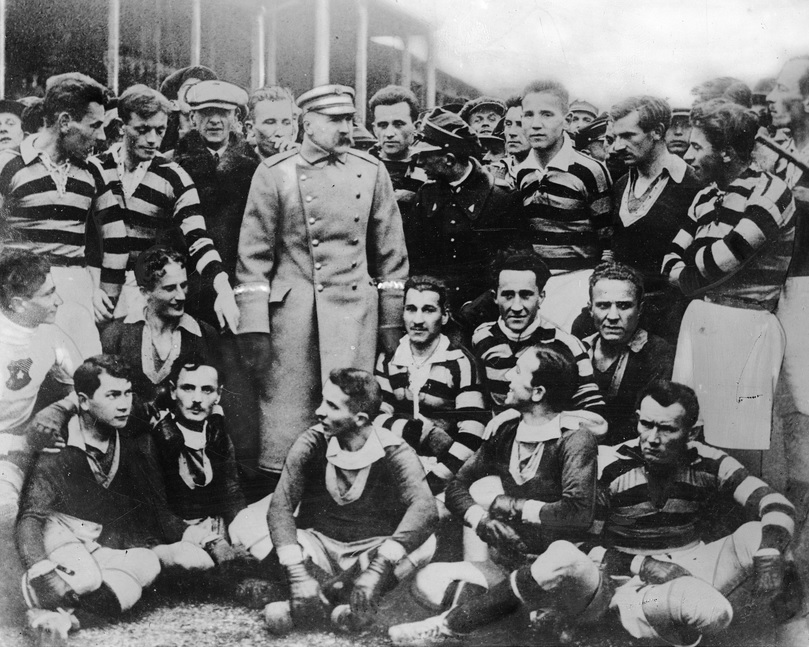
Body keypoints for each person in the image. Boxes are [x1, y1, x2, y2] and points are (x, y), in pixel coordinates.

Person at [389, 380, 803, 646]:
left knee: (758, 534)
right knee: (705, 609)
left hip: (697, 558)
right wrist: (642, 563)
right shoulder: (607, 464)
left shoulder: (711, 460)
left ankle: (791, 635)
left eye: (667, 429)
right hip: (625, 578)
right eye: (645, 425)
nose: (652, 439)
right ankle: (452, 626)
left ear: (690, 433)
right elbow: (578, 538)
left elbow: (774, 503)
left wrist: (768, 551)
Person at [234, 83, 409, 478]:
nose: (346, 128)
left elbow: (392, 258)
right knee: (289, 425)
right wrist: (255, 327)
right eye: (335, 120)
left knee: (351, 416)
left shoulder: (371, 171)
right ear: (307, 123)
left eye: (349, 119)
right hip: (293, 322)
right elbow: (252, 259)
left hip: (354, 316)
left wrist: (391, 324)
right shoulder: (274, 173)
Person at [387, 345, 601, 646]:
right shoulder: (507, 431)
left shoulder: (575, 439)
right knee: (428, 580)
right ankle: (520, 624)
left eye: (517, 370)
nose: (508, 377)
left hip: (571, 580)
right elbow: (456, 488)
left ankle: (450, 626)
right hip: (515, 572)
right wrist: (483, 522)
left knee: (562, 556)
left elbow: (577, 514)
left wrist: (511, 505)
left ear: (538, 392)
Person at [15, 355, 219, 646]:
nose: (123, 403)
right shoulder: (59, 441)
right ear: (83, 401)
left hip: (95, 542)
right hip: (58, 534)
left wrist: (202, 539)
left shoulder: (127, 425)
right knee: (88, 578)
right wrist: (40, 570)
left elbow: (156, 507)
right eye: (112, 395)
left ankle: (68, 619)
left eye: (127, 393)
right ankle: (33, 598)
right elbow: (31, 517)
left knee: (147, 562)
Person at [248, 369, 438, 634]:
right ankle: (344, 607)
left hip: (371, 552)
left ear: (359, 419)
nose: (319, 411)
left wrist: (378, 567)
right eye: (323, 401)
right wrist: (297, 574)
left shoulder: (393, 450)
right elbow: (281, 506)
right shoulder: (312, 441)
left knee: (424, 544)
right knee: (283, 539)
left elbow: (425, 508)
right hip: (321, 548)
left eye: (332, 406)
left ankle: (309, 605)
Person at [662, 99, 795, 453]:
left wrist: (686, 276)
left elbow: (725, 261)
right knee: (690, 436)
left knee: (736, 442)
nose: (687, 155)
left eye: (696, 146)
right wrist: (688, 273)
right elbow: (670, 258)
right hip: (701, 319)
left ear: (725, 152)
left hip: (746, 328)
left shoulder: (771, 192)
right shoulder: (705, 196)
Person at [87, 84, 238, 332]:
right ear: (121, 125)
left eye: (160, 130)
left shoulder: (174, 176)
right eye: (142, 130)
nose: (152, 140)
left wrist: (223, 289)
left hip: (143, 296)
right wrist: (90, 287)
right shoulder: (95, 168)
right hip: (95, 292)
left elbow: (198, 239)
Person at [0, 73, 111, 358]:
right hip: (20, 292)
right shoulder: (7, 163)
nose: (101, 136)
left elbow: (114, 238)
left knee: (86, 378)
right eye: (94, 126)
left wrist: (103, 291)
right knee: (19, 383)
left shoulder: (92, 171)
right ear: (64, 122)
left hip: (74, 291)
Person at [516, 80, 612, 332]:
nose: (536, 124)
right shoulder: (521, 172)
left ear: (566, 120)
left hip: (579, 284)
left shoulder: (590, 171)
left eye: (547, 114)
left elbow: (608, 240)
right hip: (536, 286)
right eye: (528, 115)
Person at [374, 275, 487, 490]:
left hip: (446, 470)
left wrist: (435, 480)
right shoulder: (389, 358)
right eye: (411, 309)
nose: (417, 320)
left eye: (428, 310)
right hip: (397, 464)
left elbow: (473, 431)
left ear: (444, 316)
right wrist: (420, 432)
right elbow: (376, 418)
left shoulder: (460, 362)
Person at [606, 95, 702, 344]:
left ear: (657, 131)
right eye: (615, 137)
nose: (617, 146)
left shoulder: (691, 185)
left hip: (671, 320)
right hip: (622, 318)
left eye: (628, 136)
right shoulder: (620, 184)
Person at [407, 108, 519, 312]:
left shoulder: (502, 198)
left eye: (425, 155)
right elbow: (415, 259)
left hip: (484, 311)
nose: (420, 162)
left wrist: (480, 306)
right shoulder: (425, 195)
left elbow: (512, 267)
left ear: (449, 159)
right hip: (433, 309)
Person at [472, 253, 605, 415]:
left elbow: (593, 410)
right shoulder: (482, 337)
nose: (516, 306)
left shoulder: (566, 344)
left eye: (526, 295)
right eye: (508, 295)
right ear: (495, 297)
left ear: (541, 297)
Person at [172, 79, 254, 326]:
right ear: (193, 118)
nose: (215, 120)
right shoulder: (174, 165)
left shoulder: (254, 167)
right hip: (187, 281)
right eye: (207, 112)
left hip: (238, 278)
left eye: (223, 113)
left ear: (235, 117)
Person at [767, 56, 809, 516]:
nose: (772, 99)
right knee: (790, 409)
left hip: (806, 295)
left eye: (781, 89)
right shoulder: (779, 157)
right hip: (780, 296)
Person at [149, 362, 246, 561]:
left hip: (217, 527)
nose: (197, 399)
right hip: (178, 535)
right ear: (173, 391)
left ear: (218, 394)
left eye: (207, 390)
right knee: (196, 563)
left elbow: (232, 494)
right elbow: (158, 513)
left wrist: (240, 538)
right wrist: (211, 542)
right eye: (188, 388)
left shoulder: (218, 436)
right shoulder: (154, 440)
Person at [101, 246, 219, 406]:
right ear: (145, 292)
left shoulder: (204, 335)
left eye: (183, 285)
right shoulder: (116, 335)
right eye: (170, 288)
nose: (181, 296)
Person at [582, 262, 674, 445]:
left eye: (624, 306)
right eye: (603, 305)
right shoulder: (579, 348)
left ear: (640, 309)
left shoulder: (657, 353)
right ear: (590, 309)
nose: (613, 316)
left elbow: (650, 421)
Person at [368, 84, 425, 218]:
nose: (389, 133)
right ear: (374, 129)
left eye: (398, 124)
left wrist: (418, 199)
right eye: (382, 125)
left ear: (416, 126)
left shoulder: (428, 169)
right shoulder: (362, 167)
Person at [244, 86, 299, 161]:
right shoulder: (240, 168)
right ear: (250, 128)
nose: (280, 133)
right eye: (270, 123)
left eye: (286, 123)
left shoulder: (306, 165)